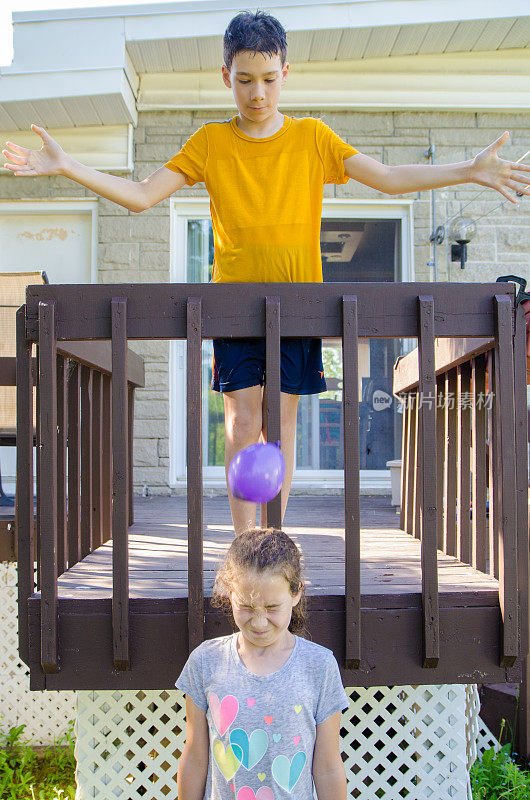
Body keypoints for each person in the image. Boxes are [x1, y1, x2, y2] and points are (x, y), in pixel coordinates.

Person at [3, 12, 529, 537]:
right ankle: (242, 542)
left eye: (270, 79)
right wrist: (69, 166)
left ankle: (272, 540)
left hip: (297, 306)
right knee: (241, 423)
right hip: (236, 307)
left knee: (282, 426)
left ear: (286, 73)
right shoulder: (210, 143)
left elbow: (389, 178)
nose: (259, 94)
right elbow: (142, 195)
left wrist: (468, 170)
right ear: (226, 76)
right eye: (246, 80)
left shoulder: (313, 138)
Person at [175, 527, 349, 800]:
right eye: (246, 606)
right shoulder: (205, 661)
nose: (258, 622)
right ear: (229, 592)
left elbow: (327, 768)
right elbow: (195, 758)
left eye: (271, 608)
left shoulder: (320, 666)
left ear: (296, 594)